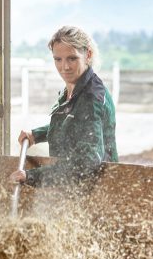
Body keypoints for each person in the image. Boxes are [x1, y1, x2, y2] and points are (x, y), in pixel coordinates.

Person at [10, 25, 118, 188]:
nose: (64, 67)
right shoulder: (74, 89)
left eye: (72, 58)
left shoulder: (91, 98)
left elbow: (87, 164)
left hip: (96, 190)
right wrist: (36, 134)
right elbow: (73, 125)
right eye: (58, 59)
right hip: (72, 187)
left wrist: (31, 176)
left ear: (88, 55)